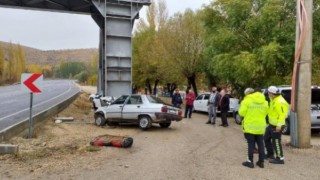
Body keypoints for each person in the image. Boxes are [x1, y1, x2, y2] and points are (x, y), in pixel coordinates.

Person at [239, 88, 269, 168]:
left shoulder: (247, 100)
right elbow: (266, 113)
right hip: (260, 127)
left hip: (250, 126)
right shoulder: (265, 102)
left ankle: (250, 162)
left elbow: (241, 113)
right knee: (261, 144)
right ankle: (261, 162)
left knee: (250, 144)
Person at [264, 86, 289, 164]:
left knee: (276, 142)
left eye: (268, 93)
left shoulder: (280, 102)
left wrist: (279, 126)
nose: (268, 94)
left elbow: (282, 115)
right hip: (271, 125)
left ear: (271, 93)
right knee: (266, 138)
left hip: (277, 126)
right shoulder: (274, 99)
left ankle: (280, 158)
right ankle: (270, 154)